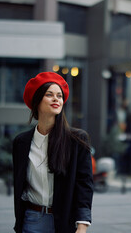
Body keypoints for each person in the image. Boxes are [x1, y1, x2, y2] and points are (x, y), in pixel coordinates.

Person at [12, 72, 93, 233]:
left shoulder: (76, 140)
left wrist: (82, 226)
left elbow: (84, 184)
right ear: (37, 100)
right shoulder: (21, 142)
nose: (56, 99)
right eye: (49, 95)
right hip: (31, 219)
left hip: (64, 222)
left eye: (59, 96)